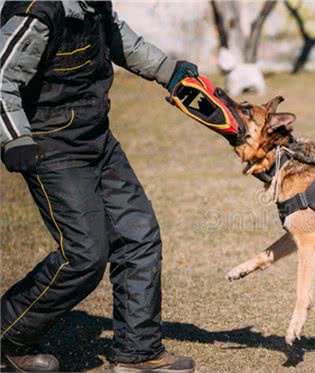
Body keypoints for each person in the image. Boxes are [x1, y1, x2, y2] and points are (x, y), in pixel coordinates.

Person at [0, 1, 235, 372]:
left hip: (97, 138)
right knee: (83, 256)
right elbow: (2, 77)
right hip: (51, 146)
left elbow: (121, 39)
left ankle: (137, 353)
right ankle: (7, 334)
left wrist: (168, 71)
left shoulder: (95, 6)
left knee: (139, 235)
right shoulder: (39, 12)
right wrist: (14, 138)